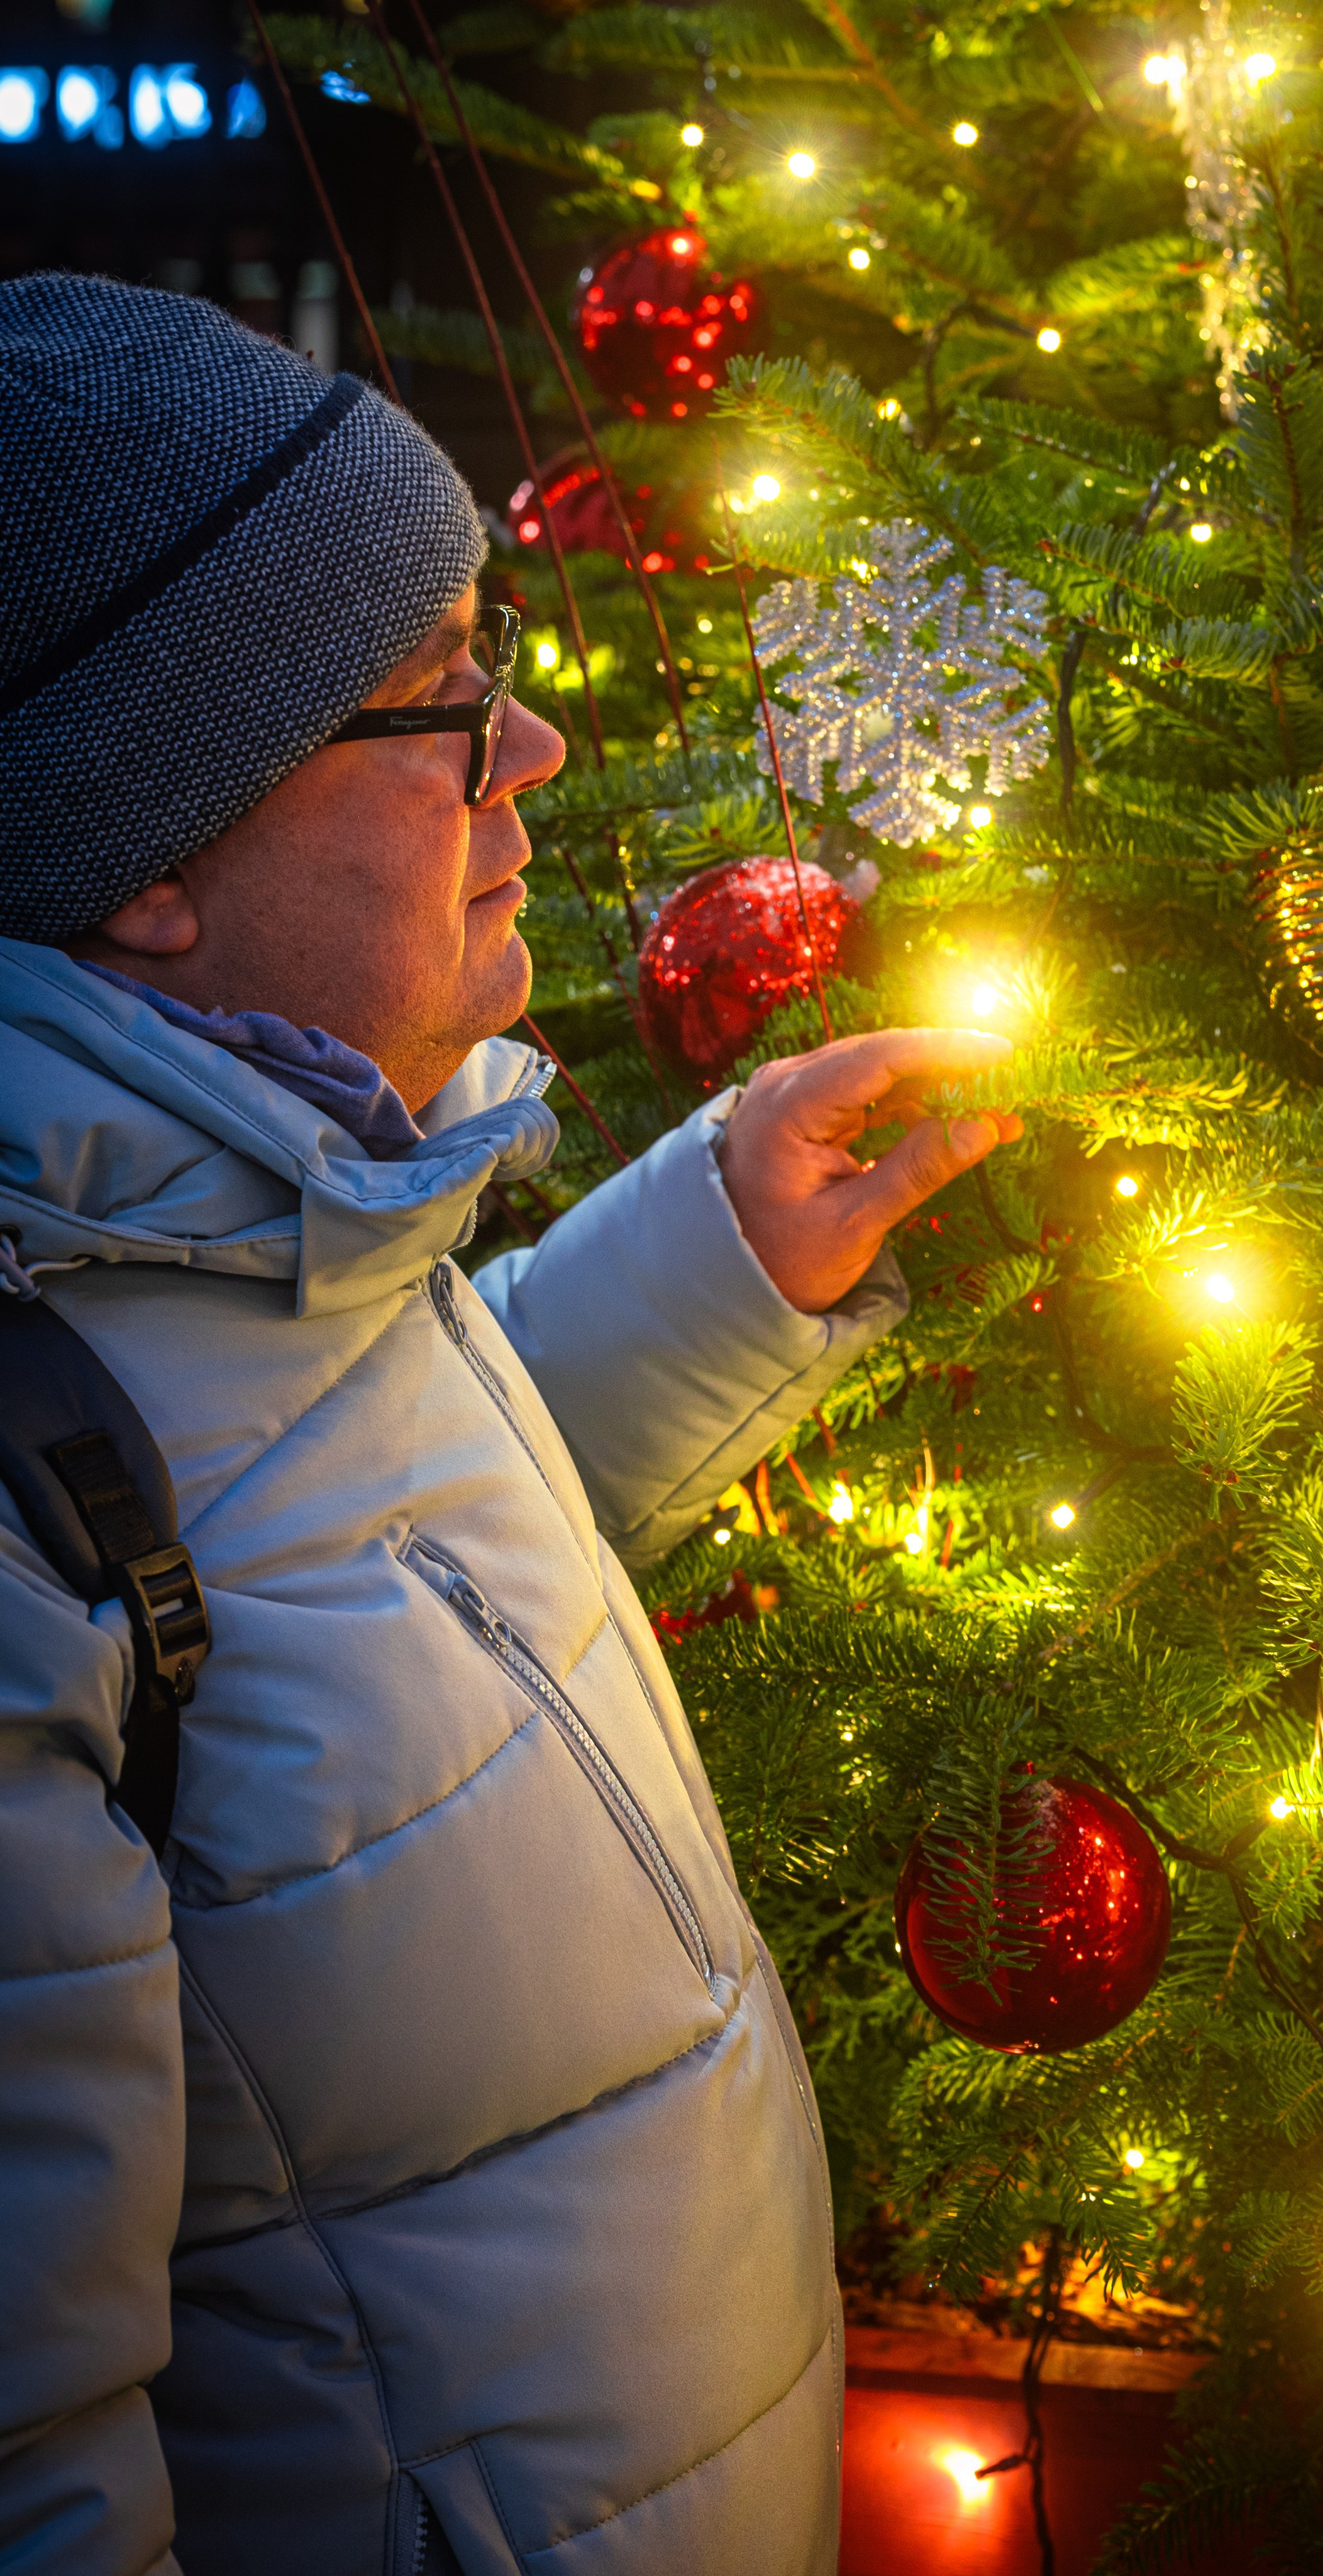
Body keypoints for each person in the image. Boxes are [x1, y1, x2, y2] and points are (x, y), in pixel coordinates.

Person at [0, 273, 1019, 2576]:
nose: (533, 749)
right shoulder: (36, 1436)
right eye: (443, 703)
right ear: (152, 859)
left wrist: (717, 1255)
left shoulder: (267, 1200)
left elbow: (347, 1569)